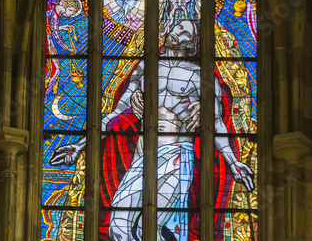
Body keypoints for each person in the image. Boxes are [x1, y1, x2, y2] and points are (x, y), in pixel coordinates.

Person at [50, 20, 254, 241]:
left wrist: (233, 163)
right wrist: (77, 146)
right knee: (118, 227)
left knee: (156, 226)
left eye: (185, 31)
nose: (177, 32)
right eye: (176, 27)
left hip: (176, 155)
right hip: (142, 155)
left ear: (193, 42)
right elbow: (115, 114)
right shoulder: (145, 68)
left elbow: (216, 123)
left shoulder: (201, 76)